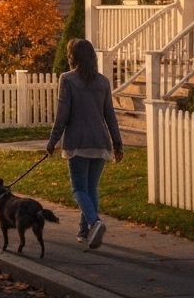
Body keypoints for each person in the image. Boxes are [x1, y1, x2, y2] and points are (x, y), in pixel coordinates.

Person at [46, 38, 123, 250]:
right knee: (90, 189)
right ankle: (84, 232)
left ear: (73, 57)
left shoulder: (68, 79)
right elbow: (110, 116)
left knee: (79, 188)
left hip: (78, 142)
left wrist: (53, 141)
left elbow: (62, 115)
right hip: (100, 142)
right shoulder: (103, 82)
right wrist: (118, 144)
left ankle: (94, 222)